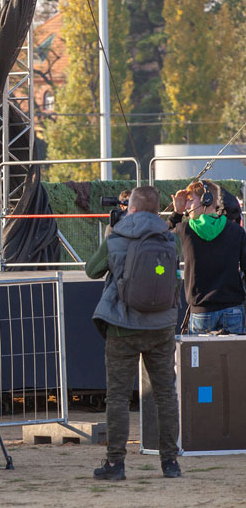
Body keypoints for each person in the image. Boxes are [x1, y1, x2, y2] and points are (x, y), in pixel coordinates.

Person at [85, 185, 181, 480]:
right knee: (166, 395)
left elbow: (92, 270)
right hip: (162, 325)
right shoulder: (169, 238)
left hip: (122, 326)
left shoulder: (116, 237)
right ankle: (170, 463)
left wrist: (109, 234)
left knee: (117, 396)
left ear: (133, 209)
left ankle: (115, 464)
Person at [170, 180, 246, 334]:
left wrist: (177, 213)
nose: (186, 206)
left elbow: (161, 240)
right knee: (235, 351)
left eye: (190, 200)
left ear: (206, 200)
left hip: (201, 311)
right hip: (233, 309)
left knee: (201, 351)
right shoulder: (236, 231)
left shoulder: (184, 230)